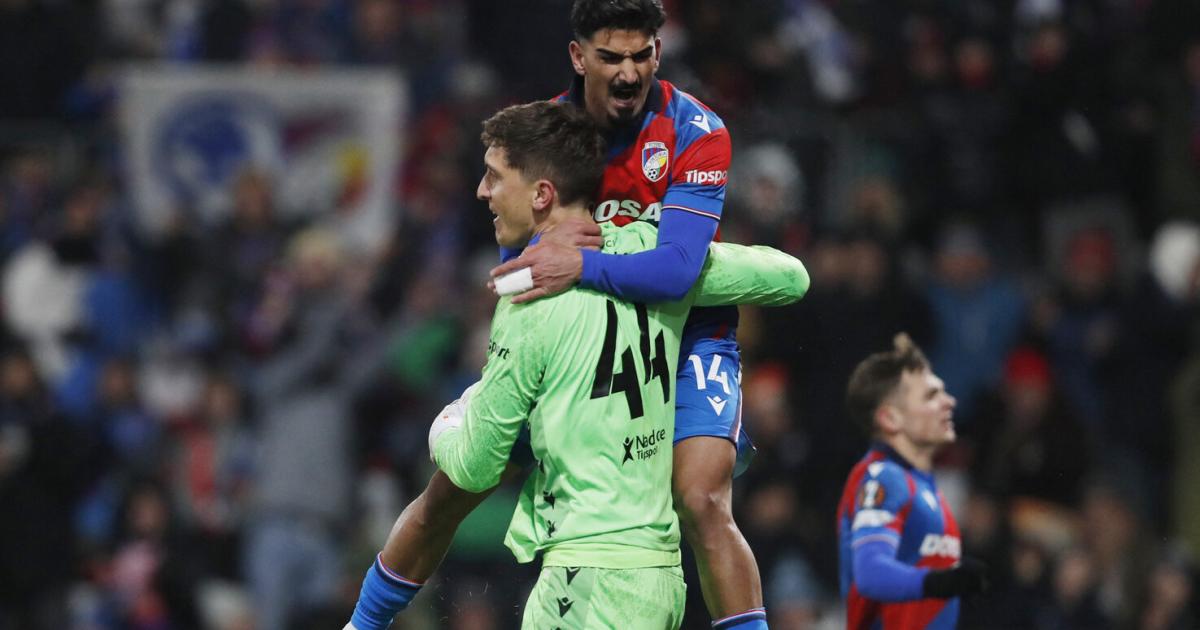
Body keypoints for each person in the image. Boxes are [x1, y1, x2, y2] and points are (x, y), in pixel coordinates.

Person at [347, 101, 808, 629]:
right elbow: (790, 277)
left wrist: (449, 422)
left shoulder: (529, 300)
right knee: (705, 505)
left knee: (449, 490)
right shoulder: (654, 254)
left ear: (542, 194)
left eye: (494, 177)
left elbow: (475, 465)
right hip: (658, 577)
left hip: (586, 580)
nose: (481, 191)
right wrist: (621, 255)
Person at [488, 2, 768, 626]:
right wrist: (544, 261)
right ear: (578, 56)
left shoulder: (697, 130)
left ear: (658, 53)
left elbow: (677, 271)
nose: (628, 73)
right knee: (479, 480)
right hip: (588, 340)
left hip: (692, 335)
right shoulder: (545, 136)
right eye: (611, 57)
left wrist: (579, 263)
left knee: (700, 498)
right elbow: (517, 267)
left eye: (642, 55)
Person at [836, 334, 989, 629]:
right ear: (890, 419)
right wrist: (941, 582)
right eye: (931, 396)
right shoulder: (883, 476)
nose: (949, 401)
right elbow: (870, 572)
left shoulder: (922, 486)